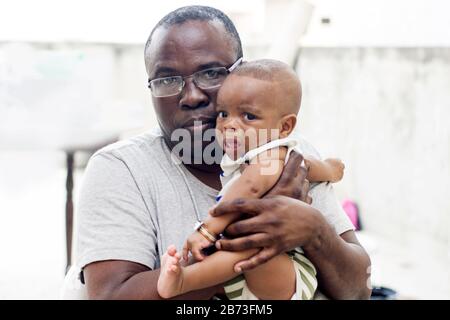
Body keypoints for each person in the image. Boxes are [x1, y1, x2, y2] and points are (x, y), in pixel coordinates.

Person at [74, 5, 371, 300]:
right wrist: (253, 230)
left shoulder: (290, 155)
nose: (191, 96)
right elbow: (111, 296)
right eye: (166, 80)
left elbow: (358, 289)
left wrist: (312, 228)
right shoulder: (122, 169)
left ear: (242, 71)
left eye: (212, 73)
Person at [157, 59, 345, 300]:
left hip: (287, 272)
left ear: (285, 126)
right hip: (243, 278)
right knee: (238, 246)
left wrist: (207, 230)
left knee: (249, 245)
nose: (229, 125)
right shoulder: (261, 156)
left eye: (248, 116)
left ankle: (183, 281)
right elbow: (308, 165)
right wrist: (330, 169)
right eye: (223, 114)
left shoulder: (273, 154)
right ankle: (183, 280)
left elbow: (251, 186)